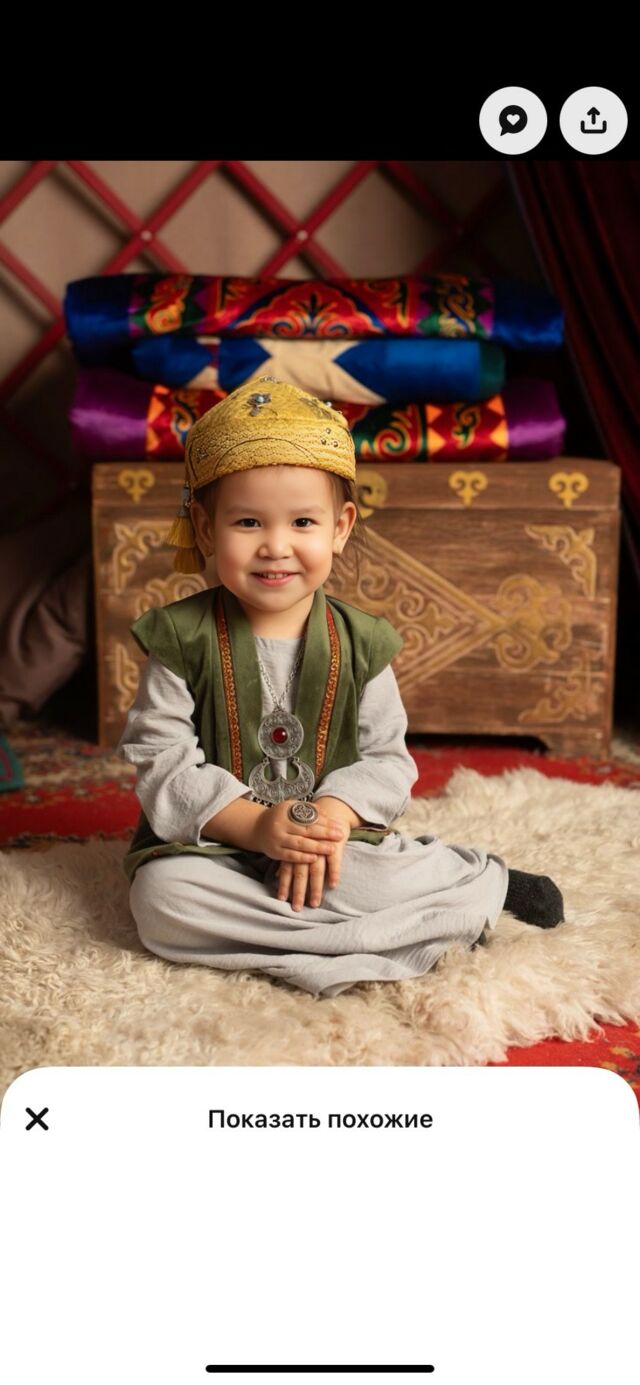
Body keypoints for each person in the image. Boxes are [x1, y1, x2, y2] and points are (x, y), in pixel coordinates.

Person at [118, 377, 564, 998]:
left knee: (369, 877)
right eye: (248, 522)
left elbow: (387, 759)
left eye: (303, 521)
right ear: (204, 526)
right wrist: (255, 828)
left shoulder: (362, 642)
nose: (276, 546)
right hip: (217, 843)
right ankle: (408, 932)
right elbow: (161, 759)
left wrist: (328, 819)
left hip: (334, 847)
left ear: (340, 527)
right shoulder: (178, 637)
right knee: (161, 901)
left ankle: (474, 883)